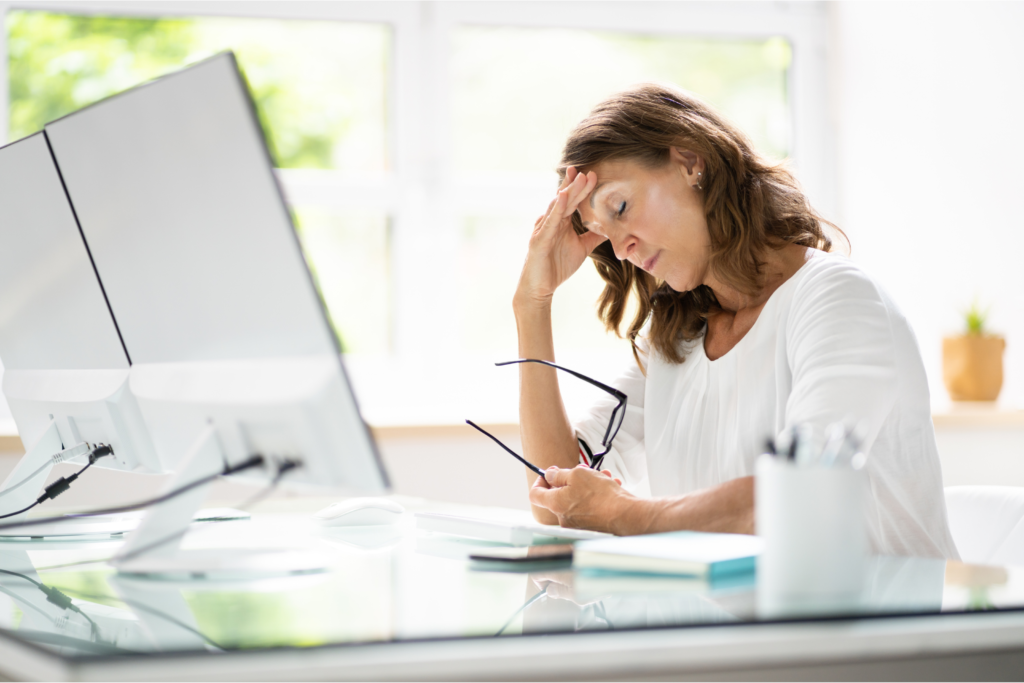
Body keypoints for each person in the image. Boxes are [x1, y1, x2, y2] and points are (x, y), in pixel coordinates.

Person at [516, 83, 957, 559]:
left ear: (690, 161)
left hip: (883, 625)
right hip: (743, 628)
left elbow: (800, 499)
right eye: (603, 235)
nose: (621, 247)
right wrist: (532, 304)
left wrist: (625, 515)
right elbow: (556, 502)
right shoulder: (675, 339)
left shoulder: (838, 301)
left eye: (620, 208)